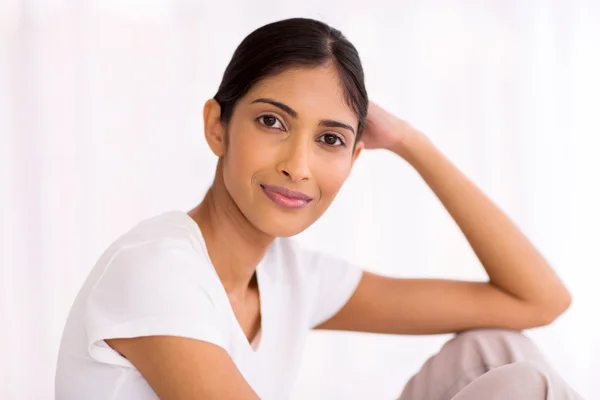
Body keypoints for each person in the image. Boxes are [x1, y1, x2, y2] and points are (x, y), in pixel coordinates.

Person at [55, 17, 583, 400]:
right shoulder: (156, 268)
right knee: (525, 387)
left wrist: (410, 142)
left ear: (354, 158)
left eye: (329, 139)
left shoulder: (289, 275)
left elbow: (537, 301)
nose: (298, 165)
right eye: (272, 122)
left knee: (495, 351)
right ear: (218, 126)